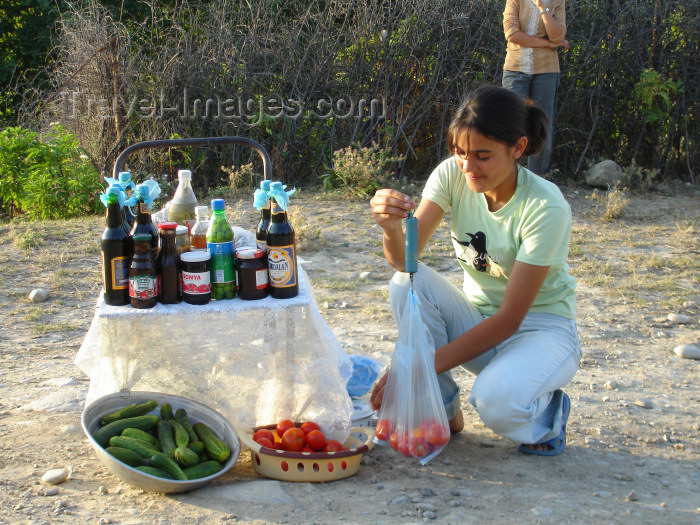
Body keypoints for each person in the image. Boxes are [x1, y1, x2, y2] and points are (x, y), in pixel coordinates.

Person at [369, 86, 580, 455]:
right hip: (477, 321)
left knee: (496, 404)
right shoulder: (453, 175)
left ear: (518, 148)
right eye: (460, 152)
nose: (468, 166)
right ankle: (445, 410)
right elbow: (406, 261)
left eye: (483, 155)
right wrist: (390, 229)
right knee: (406, 283)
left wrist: (414, 369)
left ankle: (549, 415)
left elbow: (510, 320)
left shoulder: (545, 207)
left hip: (540, 330)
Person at [502, 0, 569, 175]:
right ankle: (506, 176)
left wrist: (542, 8)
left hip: (547, 70)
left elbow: (557, 36)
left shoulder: (558, 1)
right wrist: (547, 44)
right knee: (510, 123)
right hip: (515, 69)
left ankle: (538, 178)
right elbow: (512, 34)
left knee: (542, 125)